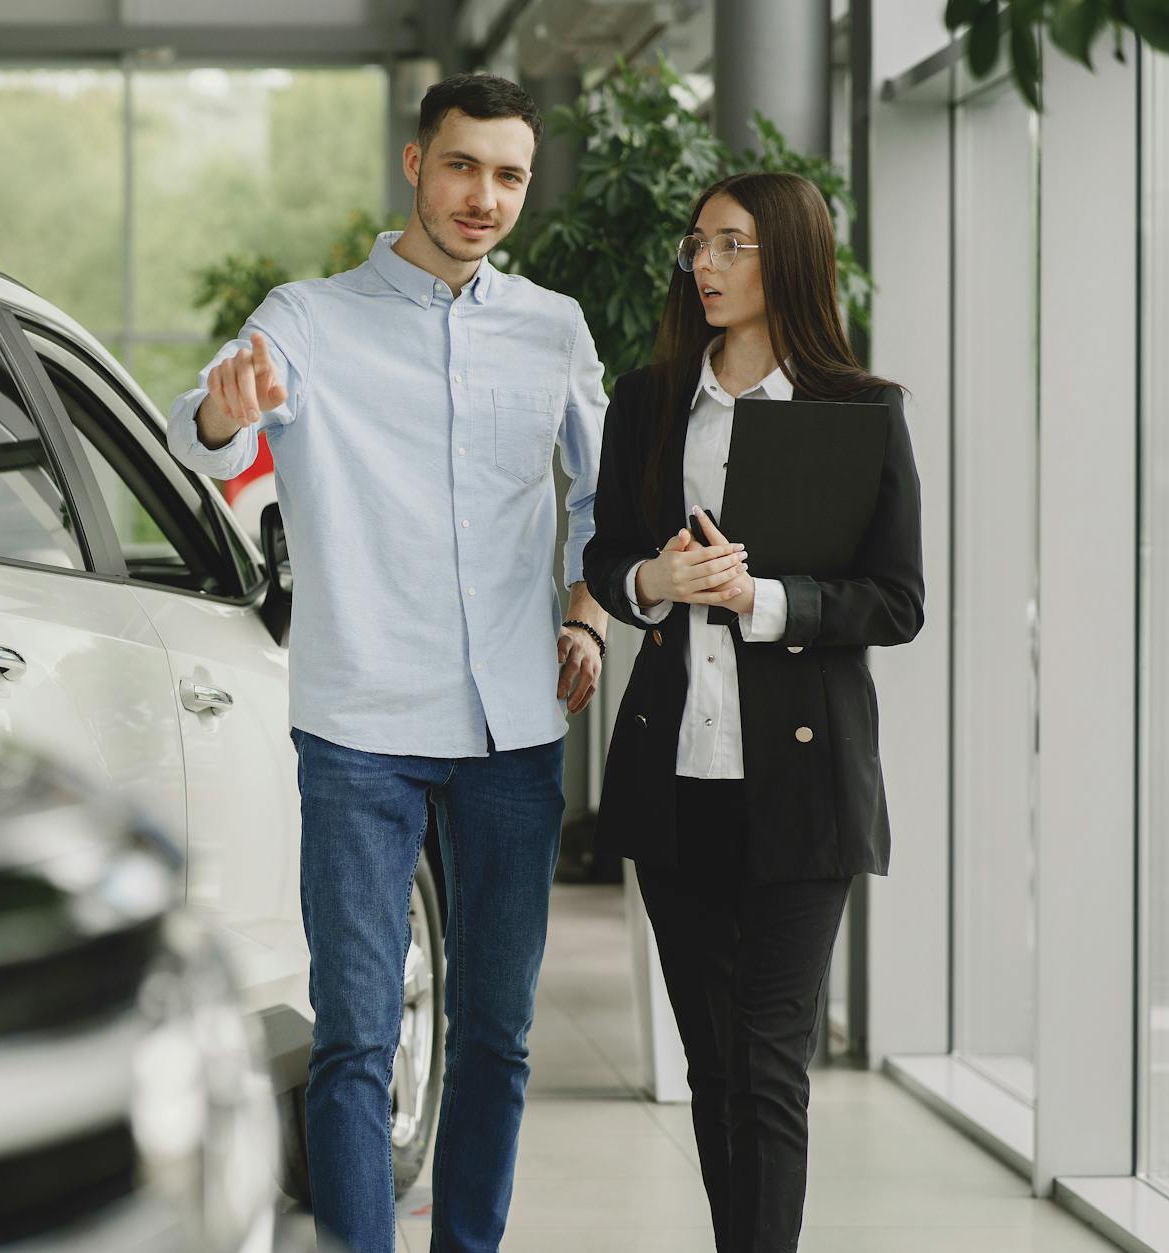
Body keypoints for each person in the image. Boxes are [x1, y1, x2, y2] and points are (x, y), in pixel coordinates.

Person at [166, 72, 609, 1253]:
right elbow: (193, 431)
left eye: (507, 174)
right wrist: (226, 410)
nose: (483, 196)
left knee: (497, 1033)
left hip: (515, 726)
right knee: (357, 1030)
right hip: (360, 721)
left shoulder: (550, 327)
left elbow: (604, 504)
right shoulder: (306, 318)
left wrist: (588, 612)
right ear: (414, 165)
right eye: (461, 166)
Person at [581, 170, 925, 1253]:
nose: (705, 264)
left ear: (786, 255)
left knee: (769, 1065)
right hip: (673, 775)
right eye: (697, 244)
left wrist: (762, 599)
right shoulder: (647, 401)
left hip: (804, 783)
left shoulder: (859, 409)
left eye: (730, 244)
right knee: (712, 1064)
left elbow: (896, 599)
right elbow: (601, 551)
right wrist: (652, 583)